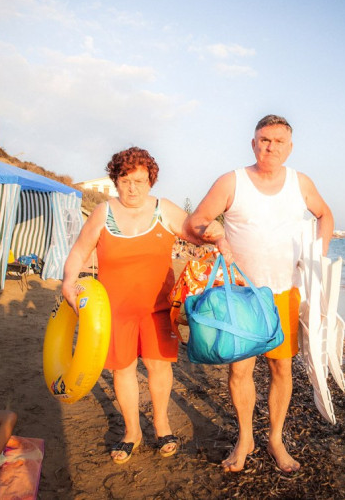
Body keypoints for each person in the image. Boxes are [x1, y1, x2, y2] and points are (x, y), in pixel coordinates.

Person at [186, 114, 334, 474]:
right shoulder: (232, 181)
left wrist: (318, 253)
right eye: (264, 140)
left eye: (278, 142)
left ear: (289, 147)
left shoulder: (300, 182)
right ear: (254, 143)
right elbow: (197, 220)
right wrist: (217, 234)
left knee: (281, 367)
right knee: (240, 369)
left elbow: (325, 215)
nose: (270, 147)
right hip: (241, 294)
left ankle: (276, 439)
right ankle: (246, 437)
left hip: (284, 291)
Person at [61, 146, 221, 464]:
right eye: (125, 180)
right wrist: (68, 280)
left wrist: (214, 232)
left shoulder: (164, 209)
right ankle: (132, 431)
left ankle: (162, 426)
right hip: (114, 311)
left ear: (150, 181)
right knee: (123, 371)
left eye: (139, 180)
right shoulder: (102, 213)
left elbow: (194, 230)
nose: (132, 188)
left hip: (157, 308)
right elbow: (79, 251)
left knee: (159, 367)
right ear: (115, 181)